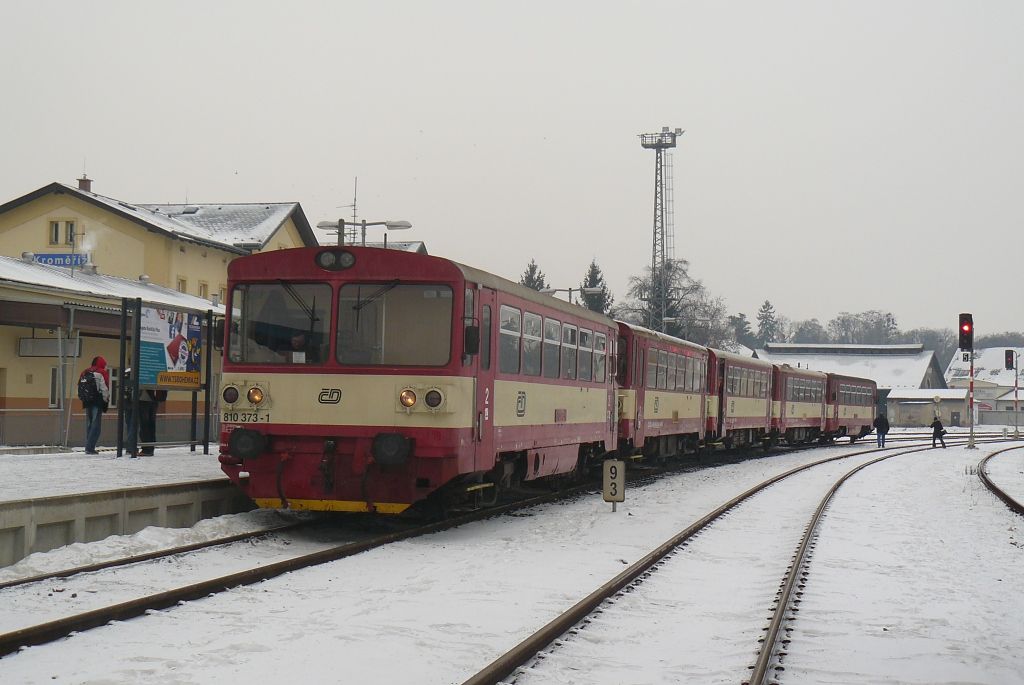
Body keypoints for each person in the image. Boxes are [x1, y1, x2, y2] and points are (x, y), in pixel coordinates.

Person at [80, 356, 110, 454]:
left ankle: (89, 446)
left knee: (89, 424)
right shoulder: (101, 373)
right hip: (97, 401)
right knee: (96, 425)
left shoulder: (85, 371)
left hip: (87, 401)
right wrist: (106, 399)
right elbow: (104, 388)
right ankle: (89, 447)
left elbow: (79, 386)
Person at [135, 388, 166, 456]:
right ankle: (150, 448)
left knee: (144, 426)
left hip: (144, 399)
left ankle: (146, 449)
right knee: (151, 425)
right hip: (154, 400)